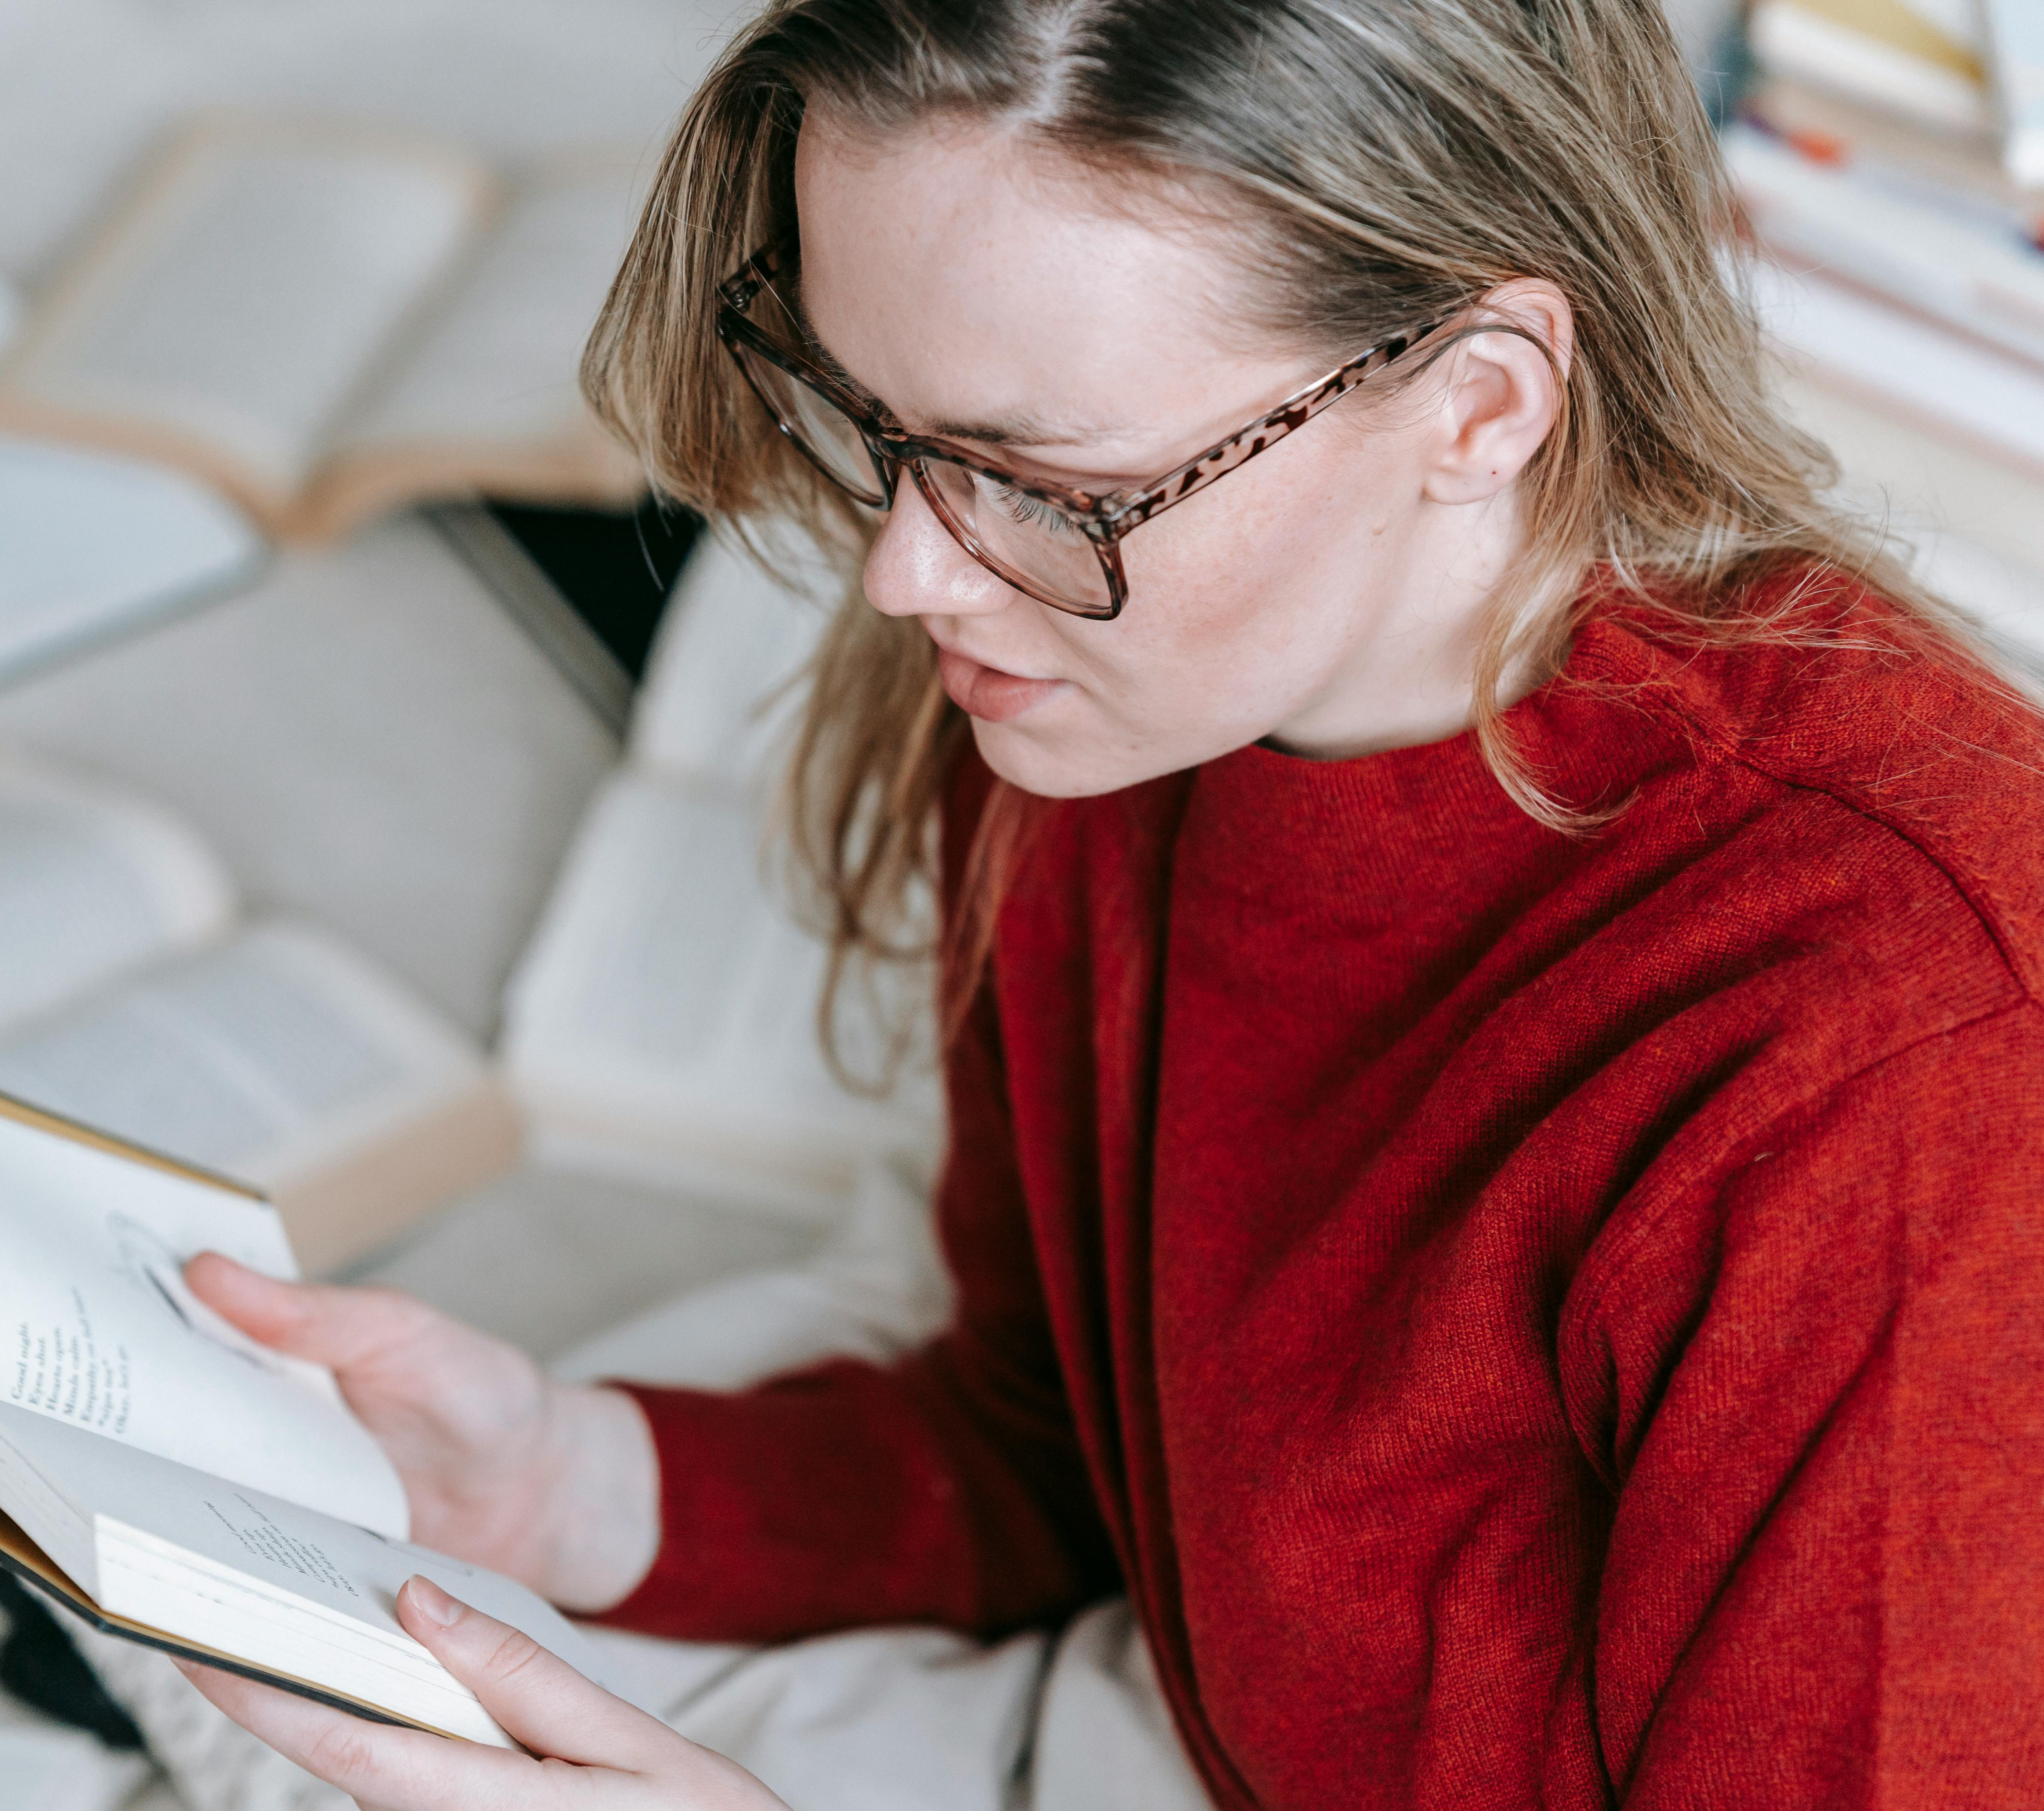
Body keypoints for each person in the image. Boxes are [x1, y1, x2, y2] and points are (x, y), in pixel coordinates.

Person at [171, 0, 2044, 1803]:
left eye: (1040, 480)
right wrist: (564, 1482)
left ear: (1479, 403)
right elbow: (1085, 1451)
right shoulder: (1104, 709)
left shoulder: (1897, 1082)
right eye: (876, 423)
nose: (910, 573)